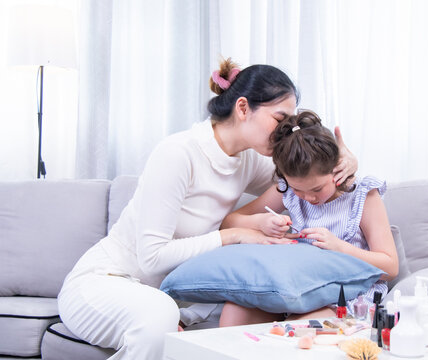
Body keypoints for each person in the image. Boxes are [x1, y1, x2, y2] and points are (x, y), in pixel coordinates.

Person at [57, 58, 357, 359]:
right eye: (280, 120)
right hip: (105, 281)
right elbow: (151, 258)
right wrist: (233, 235)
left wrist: (345, 160)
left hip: (171, 294)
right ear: (242, 108)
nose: (286, 131)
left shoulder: (248, 159)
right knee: (160, 314)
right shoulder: (178, 153)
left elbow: (305, 176)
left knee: (249, 316)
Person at [219, 110, 398, 327]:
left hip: (344, 294)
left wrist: (340, 248)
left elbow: (391, 267)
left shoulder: (363, 195)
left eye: (317, 188)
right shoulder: (287, 191)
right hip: (294, 288)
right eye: (298, 189)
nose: (308, 198)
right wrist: (260, 223)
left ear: (337, 169)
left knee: (302, 326)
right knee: (235, 311)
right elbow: (229, 222)